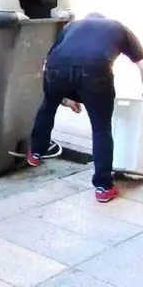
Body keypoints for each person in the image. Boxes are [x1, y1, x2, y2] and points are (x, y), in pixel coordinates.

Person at [27, 12, 143, 203]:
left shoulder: (72, 27)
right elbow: (141, 62)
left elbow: (51, 62)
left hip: (58, 70)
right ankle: (103, 186)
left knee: (48, 106)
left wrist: (64, 98)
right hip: (95, 72)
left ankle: (36, 152)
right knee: (101, 128)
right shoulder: (118, 27)